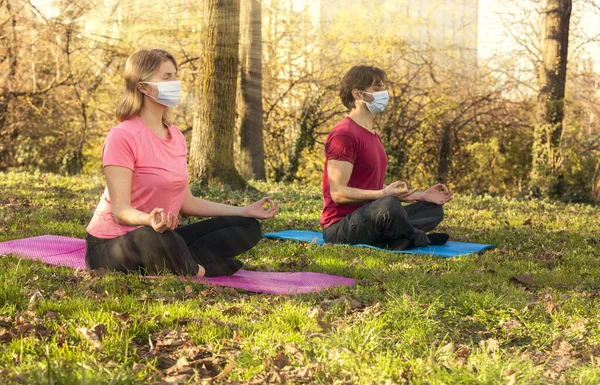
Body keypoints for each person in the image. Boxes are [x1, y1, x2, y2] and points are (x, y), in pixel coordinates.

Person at [85, 49, 279, 277]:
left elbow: (187, 202)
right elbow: (120, 211)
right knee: (154, 237)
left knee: (246, 227)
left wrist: (243, 211)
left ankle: (180, 260)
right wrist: (148, 219)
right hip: (113, 244)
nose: (175, 83)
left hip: (164, 234)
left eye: (175, 76)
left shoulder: (175, 136)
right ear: (142, 86)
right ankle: (199, 270)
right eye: (166, 77)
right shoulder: (122, 136)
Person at [321, 65, 452, 250]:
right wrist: (384, 195)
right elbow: (338, 193)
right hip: (340, 227)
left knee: (432, 209)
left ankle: (398, 237)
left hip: (373, 216)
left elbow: (371, 188)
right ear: (357, 94)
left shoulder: (373, 135)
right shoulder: (344, 135)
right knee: (389, 206)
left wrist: (421, 196)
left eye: (384, 88)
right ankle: (415, 238)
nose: (384, 93)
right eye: (376, 89)